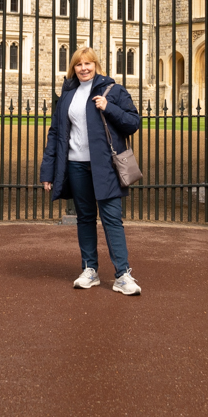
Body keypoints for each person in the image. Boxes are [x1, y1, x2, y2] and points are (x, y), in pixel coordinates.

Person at [40, 47, 143, 295]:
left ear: (96, 65)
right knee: (85, 219)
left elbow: (133, 122)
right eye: (78, 64)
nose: (83, 68)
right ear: (73, 68)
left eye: (88, 63)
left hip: (105, 166)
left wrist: (109, 107)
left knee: (111, 220)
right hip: (76, 166)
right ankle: (90, 270)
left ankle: (122, 275)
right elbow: (56, 133)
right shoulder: (68, 95)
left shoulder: (114, 90)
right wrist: (48, 171)